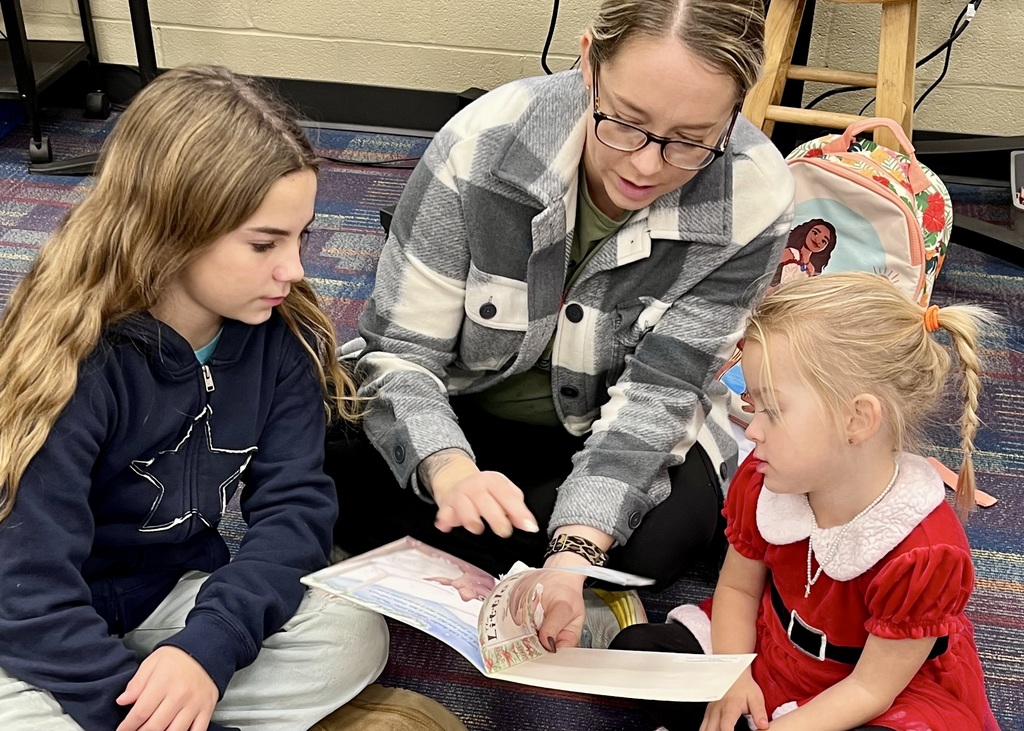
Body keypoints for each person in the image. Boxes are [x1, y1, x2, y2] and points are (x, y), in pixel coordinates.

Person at [328, 0, 795, 653]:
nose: (646, 166)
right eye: (626, 122)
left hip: (604, 430)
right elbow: (400, 355)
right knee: (320, 442)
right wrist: (451, 470)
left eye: (691, 140)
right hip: (468, 414)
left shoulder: (756, 194)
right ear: (587, 61)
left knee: (658, 535)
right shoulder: (479, 147)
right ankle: (564, 563)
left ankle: (552, 559)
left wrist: (576, 549)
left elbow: (658, 400)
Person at [0, 66, 390, 731]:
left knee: (355, 630)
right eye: (265, 242)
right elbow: (27, 590)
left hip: (163, 596)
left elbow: (294, 511)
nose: (295, 269)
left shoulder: (280, 331)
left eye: (303, 236)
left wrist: (208, 650)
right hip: (34, 621)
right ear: (172, 228)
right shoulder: (74, 356)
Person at [610, 272, 1000, 731]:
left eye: (772, 411)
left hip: (866, 690)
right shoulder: (764, 478)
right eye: (753, 407)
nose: (751, 431)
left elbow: (871, 690)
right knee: (637, 654)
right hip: (770, 648)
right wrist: (733, 674)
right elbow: (737, 589)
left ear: (857, 420)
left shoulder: (925, 553)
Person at [770, 218, 838, 287]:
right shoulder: (790, 253)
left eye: (823, 241)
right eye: (815, 233)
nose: (817, 240)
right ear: (807, 231)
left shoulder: (812, 269)